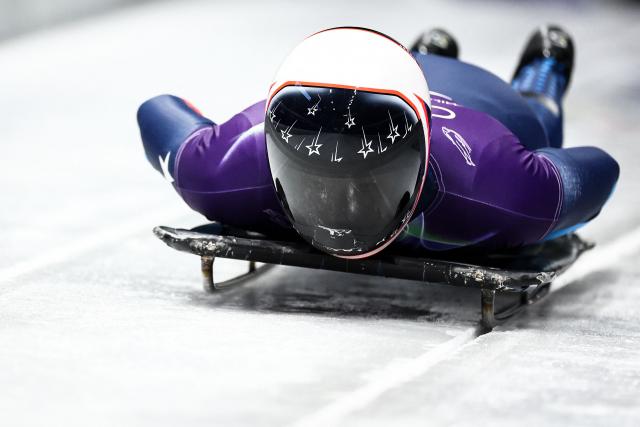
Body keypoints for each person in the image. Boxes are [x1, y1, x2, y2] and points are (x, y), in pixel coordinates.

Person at [137, 26, 619, 258]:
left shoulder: (498, 182)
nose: (342, 205)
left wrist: (541, 187)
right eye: (314, 171)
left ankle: (539, 84)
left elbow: (157, 110)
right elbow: (599, 169)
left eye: (369, 172)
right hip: (424, 103)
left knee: (536, 120)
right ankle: (423, 56)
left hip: (489, 102)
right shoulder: (224, 166)